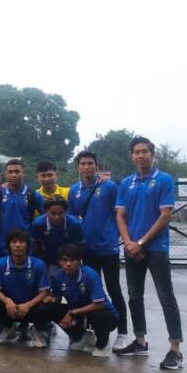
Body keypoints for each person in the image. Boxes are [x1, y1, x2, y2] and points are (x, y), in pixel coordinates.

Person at [114, 136, 183, 370]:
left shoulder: (163, 180)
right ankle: (140, 341)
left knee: (166, 298)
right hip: (132, 248)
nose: (141, 155)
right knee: (134, 296)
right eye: (137, 152)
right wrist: (128, 242)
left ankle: (175, 349)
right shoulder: (127, 183)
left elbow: (165, 216)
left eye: (145, 151)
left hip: (156, 249)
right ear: (131, 156)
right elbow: (120, 215)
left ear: (153, 154)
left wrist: (140, 242)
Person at [67, 150, 129, 350]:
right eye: (83, 163)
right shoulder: (74, 191)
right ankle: (92, 332)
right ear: (78, 166)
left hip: (108, 249)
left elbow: (120, 214)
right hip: (87, 249)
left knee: (114, 290)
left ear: (96, 165)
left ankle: (122, 333)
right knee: (91, 293)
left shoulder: (109, 187)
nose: (86, 167)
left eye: (90, 163)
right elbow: (72, 219)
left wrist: (116, 236)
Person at [44, 244, 118, 357]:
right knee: (49, 307)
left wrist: (71, 312)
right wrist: (53, 298)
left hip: (104, 314)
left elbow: (99, 304)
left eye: (72, 260)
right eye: (65, 260)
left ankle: (102, 344)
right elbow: (58, 295)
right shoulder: (58, 276)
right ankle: (81, 337)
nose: (68, 264)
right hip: (79, 312)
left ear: (79, 261)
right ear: (59, 262)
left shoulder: (90, 275)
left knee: (99, 315)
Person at [0, 229, 51, 348]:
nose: (18, 245)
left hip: (30, 307)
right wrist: (7, 301)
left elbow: (44, 292)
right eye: (14, 242)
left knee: (46, 308)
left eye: (22, 242)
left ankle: (36, 331)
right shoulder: (0, 263)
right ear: (9, 245)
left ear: (28, 245)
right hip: (10, 307)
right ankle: (9, 328)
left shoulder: (38, 264)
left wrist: (28, 304)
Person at [0, 159, 45, 256]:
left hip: (26, 248)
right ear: (6, 174)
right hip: (3, 248)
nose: (13, 175)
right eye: (10, 172)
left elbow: (47, 215)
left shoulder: (32, 194)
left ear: (23, 173)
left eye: (17, 171)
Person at [30, 195, 83, 272]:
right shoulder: (38, 224)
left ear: (65, 212)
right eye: (53, 213)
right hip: (50, 262)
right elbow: (36, 246)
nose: (57, 217)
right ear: (46, 212)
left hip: (71, 262)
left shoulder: (74, 224)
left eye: (60, 213)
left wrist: (74, 262)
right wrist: (43, 263)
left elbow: (80, 246)